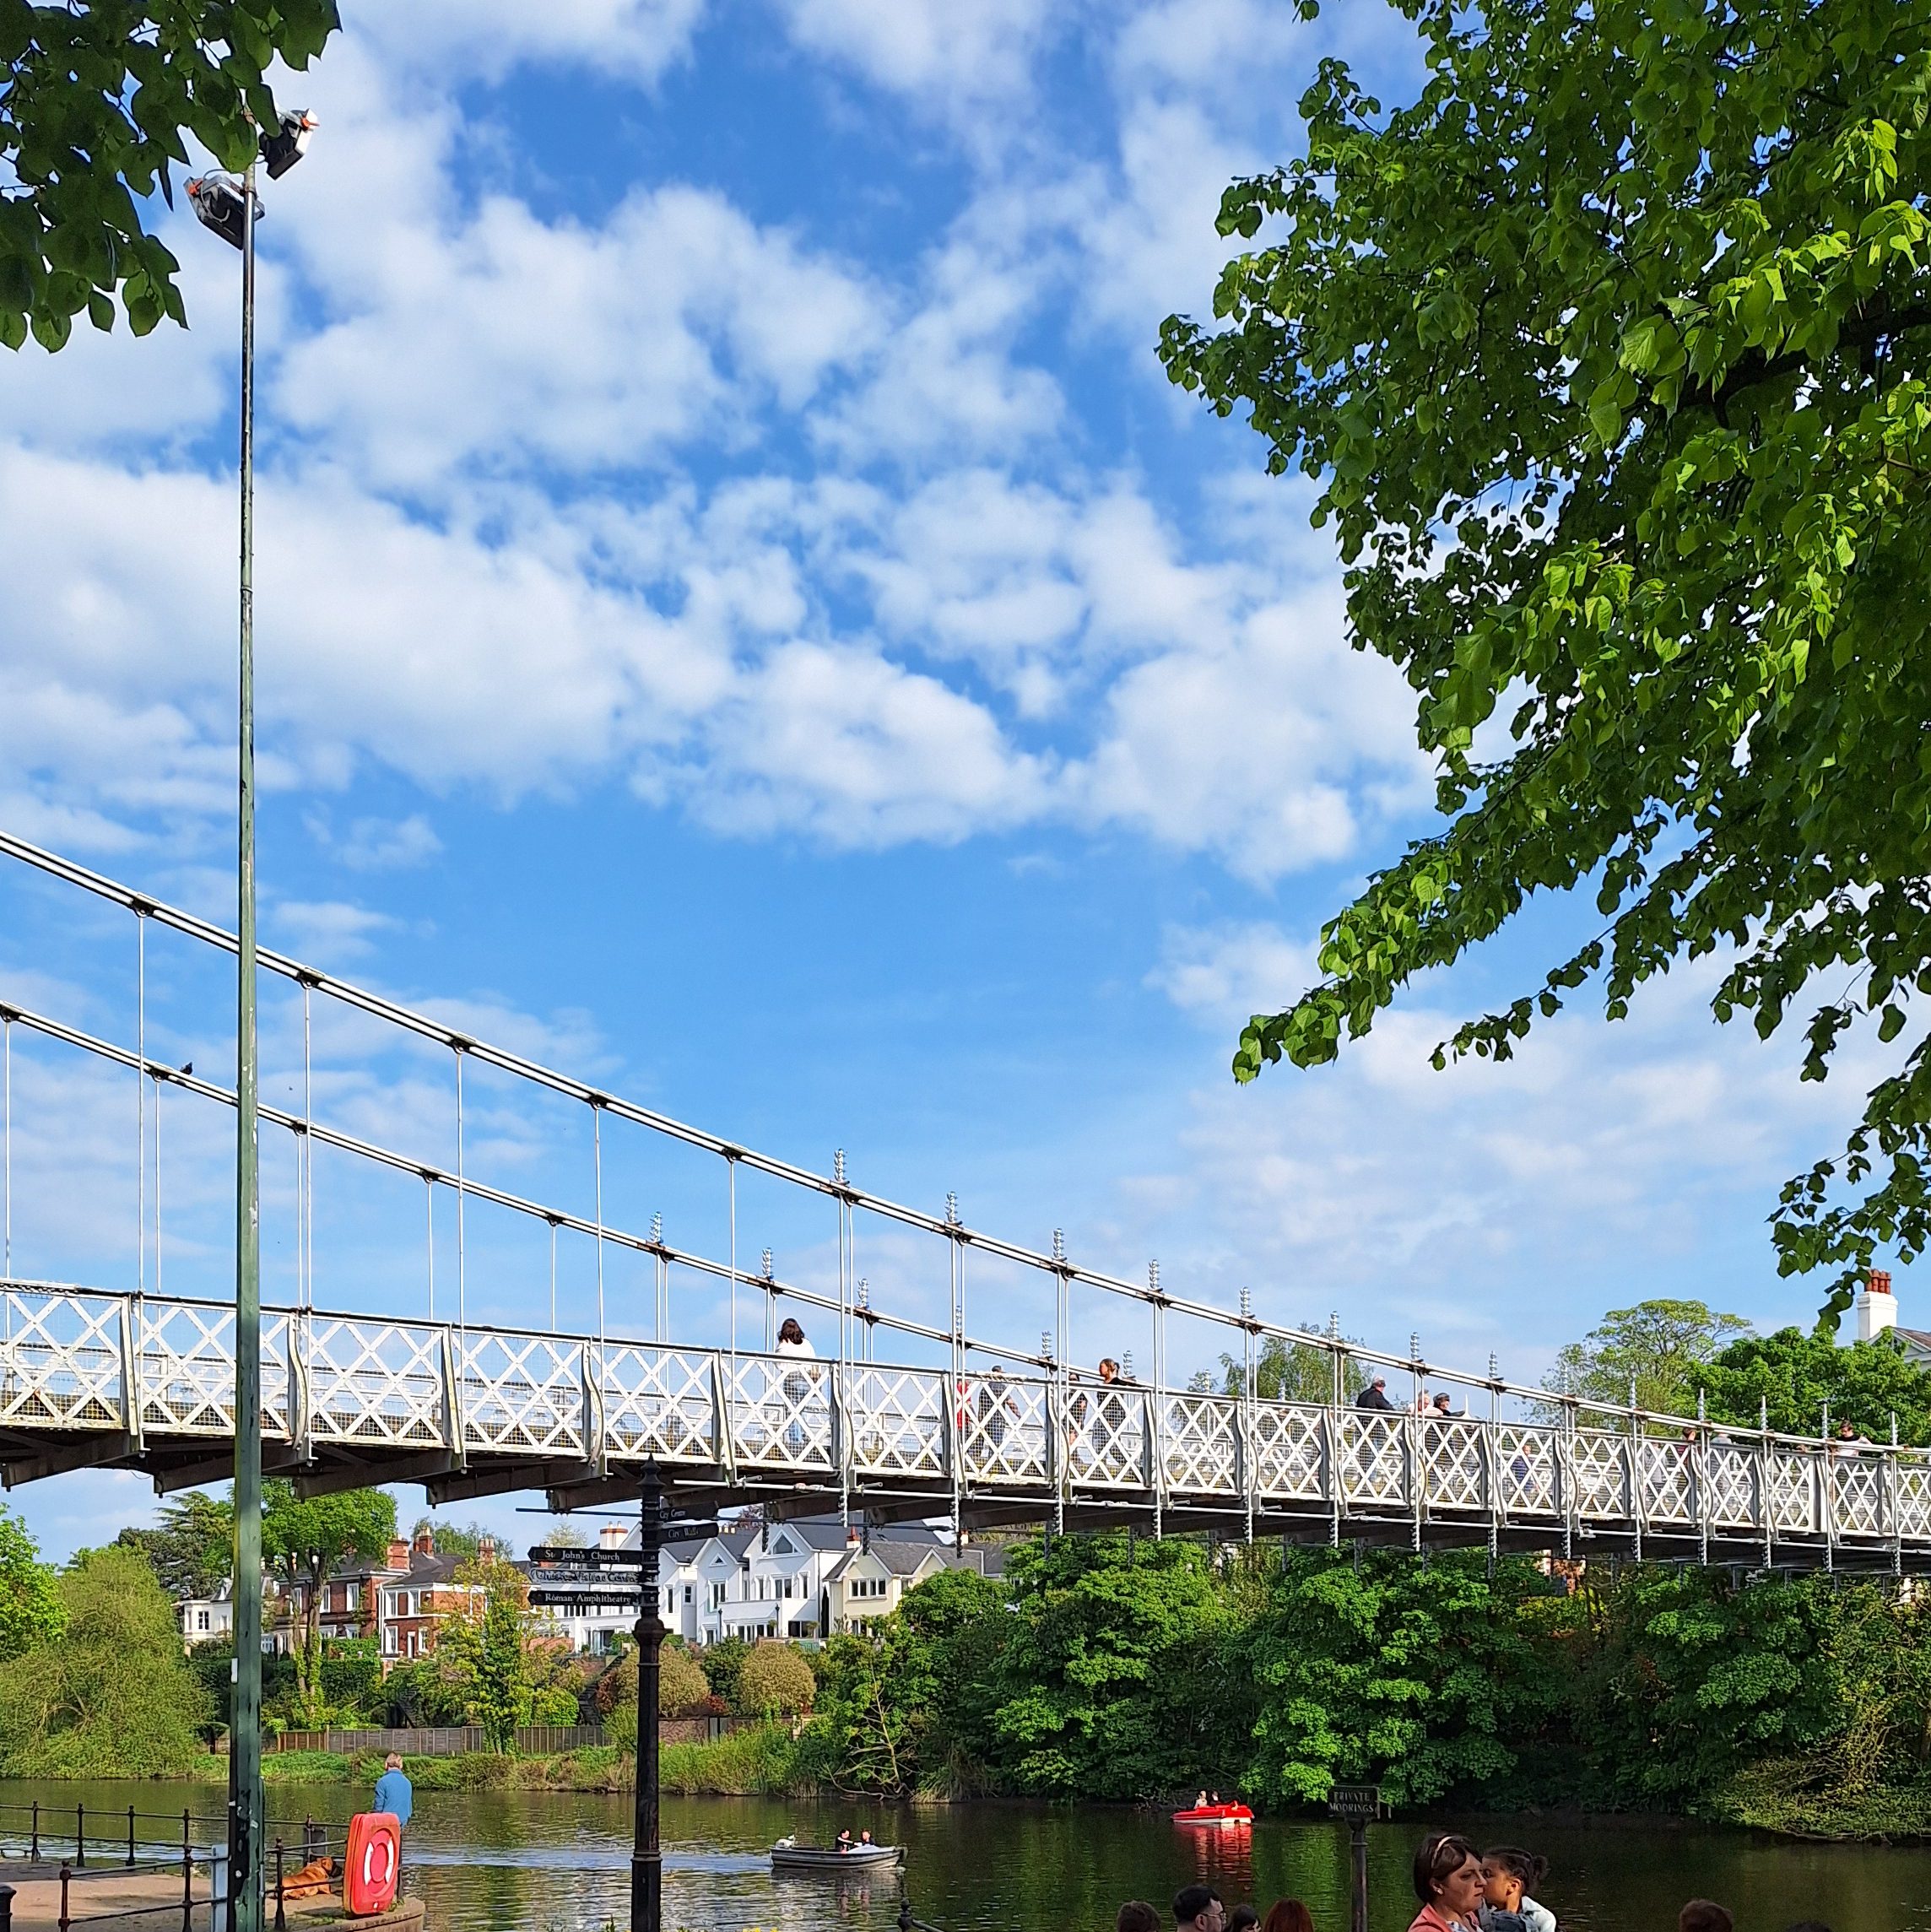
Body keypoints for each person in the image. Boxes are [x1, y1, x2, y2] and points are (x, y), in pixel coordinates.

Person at [1410, 1832, 1484, 1932]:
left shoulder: (1470, 1918)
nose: (1483, 1882)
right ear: (1437, 1886)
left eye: (1481, 1872)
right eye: (1467, 1876)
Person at [1479, 1848, 1551, 1932]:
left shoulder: (1540, 1919)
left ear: (1513, 1886)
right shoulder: (1477, 1911)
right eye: (1478, 1873)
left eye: (1487, 1875)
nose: (1480, 1880)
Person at [776, 1317, 814, 1454]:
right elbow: (813, 1362)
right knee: (801, 1410)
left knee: (793, 1412)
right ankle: (806, 1436)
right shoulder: (806, 1343)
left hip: (792, 1381)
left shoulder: (784, 1344)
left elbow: (779, 1364)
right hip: (807, 1383)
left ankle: (797, 1441)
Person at [372, 1751, 413, 1829]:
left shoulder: (382, 1781)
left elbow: (378, 1808)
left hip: (386, 1823)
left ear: (386, 1765)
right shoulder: (407, 1782)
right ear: (400, 1766)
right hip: (401, 1822)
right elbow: (409, 1810)